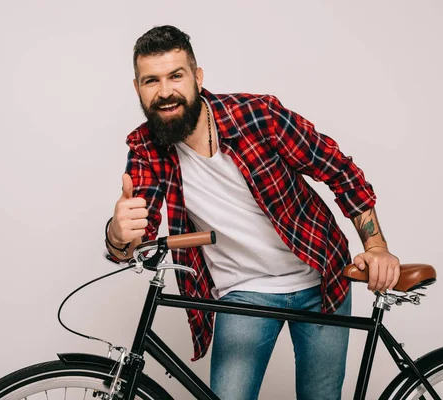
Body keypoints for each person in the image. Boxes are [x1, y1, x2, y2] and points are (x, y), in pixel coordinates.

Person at [104, 25, 400, 400]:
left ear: (197, 77)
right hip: (243, 293)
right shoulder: (147, 147)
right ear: (137, 89)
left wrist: (375, 245)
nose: (165, 92)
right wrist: (118, 235)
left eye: (175, 76)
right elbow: (137, 240)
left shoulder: (257, 116)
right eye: (152, 81)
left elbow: (337, 168)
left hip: (321, 277)